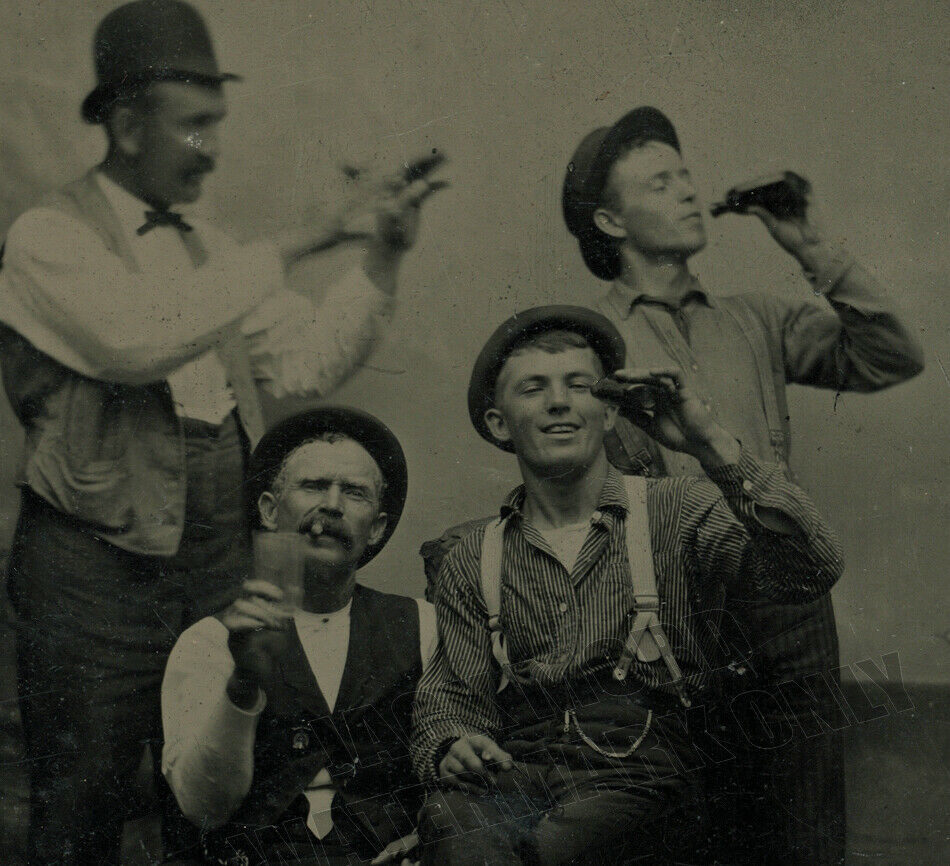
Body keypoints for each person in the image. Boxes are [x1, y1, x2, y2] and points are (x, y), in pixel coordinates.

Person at [0, 2, 445, 863]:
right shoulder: (47, 235)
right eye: (195, 126)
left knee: (213, 796)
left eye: (218, 125)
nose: (213, 148)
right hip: (90, 574)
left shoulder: (213, 247)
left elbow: (306, 366)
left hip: (215, 560)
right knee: (82, 803)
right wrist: (312, 230)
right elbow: (135, 338)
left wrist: (380, 254)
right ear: (127, 125)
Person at [559, 106, 924, 864]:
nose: (689, 192)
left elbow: (892, 354)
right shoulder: (582, 339)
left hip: (788, 598)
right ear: (610, 221)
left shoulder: (756, 318)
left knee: (805, 833)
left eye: (687, 175)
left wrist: (806, 242)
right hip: (671, 612)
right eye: (661, 183)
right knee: (689, 831)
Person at [411, 305, 845, 866]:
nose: (559, 402)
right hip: (512, 776)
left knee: (554, 852)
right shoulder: (472, 556)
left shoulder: (680, 510)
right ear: (499, 423)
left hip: (641, 779)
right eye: (533, 388)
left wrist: (707, 441)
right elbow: (451, 698)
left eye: (579, 385)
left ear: (611, 411)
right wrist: (451, 744)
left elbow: (811, 568)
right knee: (455, 825)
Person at [162, 406, 436, 865]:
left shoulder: (424, 625)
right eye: (312, 486)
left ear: (377, 528)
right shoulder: (208, 641)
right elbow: (203, 807)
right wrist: (244, 681)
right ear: (269, 510)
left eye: (354, 492)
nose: (331, 505)